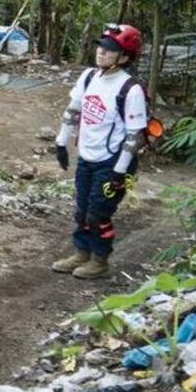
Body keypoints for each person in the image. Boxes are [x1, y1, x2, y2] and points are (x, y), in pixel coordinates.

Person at [51, 24, 148, 279]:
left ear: (124, 57)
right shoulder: (89, 76)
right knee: (82, 209)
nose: (101, 53)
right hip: (87, 156)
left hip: (114, 161)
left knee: (98, 213)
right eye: (101, 47)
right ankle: (81, 253)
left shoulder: (131, 88)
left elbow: (134, 135)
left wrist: (119, 171)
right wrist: (61, 142)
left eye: (110, 50)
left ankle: (100, 261)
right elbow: (73, 110)